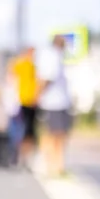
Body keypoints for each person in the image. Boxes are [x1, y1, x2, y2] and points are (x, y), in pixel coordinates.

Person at [37, 35, 73, 177]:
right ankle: (52, 165)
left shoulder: (55, 56)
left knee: (59, 134)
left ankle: (57, 165)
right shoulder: (53, 56)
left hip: (58, 102)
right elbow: (48, 78)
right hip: (54, 103)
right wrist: (38, 95)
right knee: (55, 135)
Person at [10, 46, 39, 167]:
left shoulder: (32, 65)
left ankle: (25, 157)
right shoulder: (23, 64)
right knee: (24, 130)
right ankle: (21, 156)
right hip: (24, 101)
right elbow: (11, 76)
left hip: (30, 101)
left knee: (29, 131)